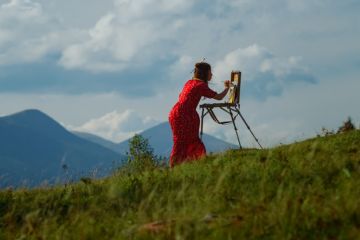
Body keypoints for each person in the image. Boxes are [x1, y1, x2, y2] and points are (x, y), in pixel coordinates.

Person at [168, 62, 230, 168]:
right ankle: (197, 163)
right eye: (210, 72)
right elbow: (219, 97)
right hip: (186, 115)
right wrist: (227, 88)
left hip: (175, 113)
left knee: (179, 142)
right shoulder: (201, 86)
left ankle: (177, 166)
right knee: (191, 141)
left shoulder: (189, 82)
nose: (212, 75)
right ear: (205, 74)